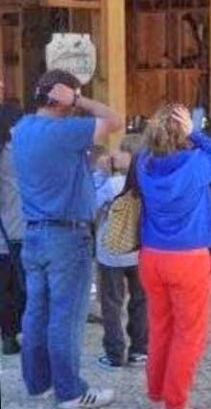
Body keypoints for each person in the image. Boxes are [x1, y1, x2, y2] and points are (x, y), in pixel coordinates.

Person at [12, 69, 123, 408]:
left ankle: (38, 382)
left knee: (36, 313)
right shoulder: (67, 131)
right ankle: (71, 392)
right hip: (67, 234)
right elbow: (115, 119)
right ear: (63, 96)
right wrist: (78, 98)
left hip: (33, 232)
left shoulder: (23, 129)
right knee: (66, 317)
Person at [137, 104, 211, 409]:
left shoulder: (143, 162)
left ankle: (156, 391)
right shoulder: (197, 163)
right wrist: (198, 134)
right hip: (188, 259)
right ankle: (175, 401)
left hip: (151, 256)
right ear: (184, 132)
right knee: (189, 334)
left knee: (160, 326)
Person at [91, 137, 148, 371]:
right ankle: (140, 350)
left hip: (111, 253)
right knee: (140, 301)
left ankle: (115, 354)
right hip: (139, 252)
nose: (115, 153)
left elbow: (91, 205)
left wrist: (100, 175)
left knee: (111, 304)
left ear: (129, 157)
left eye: (121, 150)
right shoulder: (147, 182)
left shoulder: (113, 185)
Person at [0, 90, 24, 355]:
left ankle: (7, 334)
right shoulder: (15, 151)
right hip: (17, 229)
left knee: (4, 287)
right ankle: (15, 331)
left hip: (5, 230)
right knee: (19, 285)